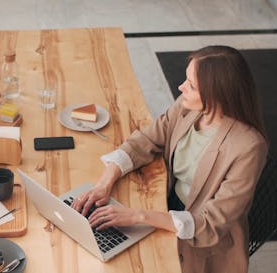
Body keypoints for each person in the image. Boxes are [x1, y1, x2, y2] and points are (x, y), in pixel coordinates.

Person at [72, 46, 268, 273]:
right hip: (167, 206)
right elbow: (145, 140)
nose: (181, 87)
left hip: (204, 240)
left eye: (191, 86)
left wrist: (138, 215)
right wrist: (104, 183)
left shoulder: (249, 146)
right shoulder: (187, 108)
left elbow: (212, 222)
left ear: (217, 95)